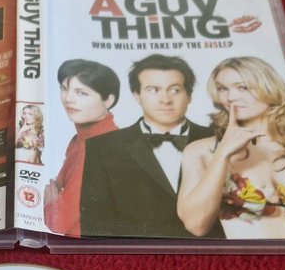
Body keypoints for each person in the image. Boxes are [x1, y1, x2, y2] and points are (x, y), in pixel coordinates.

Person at [178, 56, 285, 239]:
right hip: (248, 255)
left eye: (242, 87)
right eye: (222, 89)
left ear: (269, 87)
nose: (231, 97)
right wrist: (223, 153)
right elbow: (195, 225)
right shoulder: (201, 151)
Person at [79, 54, 225, 238]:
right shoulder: (102, 147)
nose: (165, 100)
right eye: (153, 90)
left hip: (212, 251)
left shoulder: (221, 139)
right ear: (137, 96)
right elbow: (95, 223)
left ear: (189, 95)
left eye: (175, 90)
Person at [43, 60, 120, 237]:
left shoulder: (100, 148)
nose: (68, 99)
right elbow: (56, 185)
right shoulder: (79, 140)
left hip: (85, 247)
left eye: (81, 93)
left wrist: (51, 204)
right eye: (64, 88)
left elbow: (58, 222)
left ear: (108, 100)